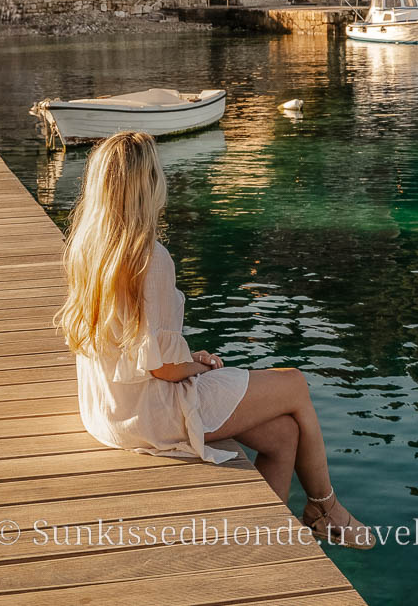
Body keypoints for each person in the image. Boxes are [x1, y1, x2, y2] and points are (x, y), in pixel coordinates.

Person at [54, 130, 373, 548]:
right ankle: (324, 507)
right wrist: (198, 365)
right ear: (148, 184)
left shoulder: (88, 246)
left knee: (282, 436)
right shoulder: (150, 258)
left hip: (109, 409)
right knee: (294, 382)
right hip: (150, 413)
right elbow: (162, 368)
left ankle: (264, 540)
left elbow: (136, 345)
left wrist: (187, 360)